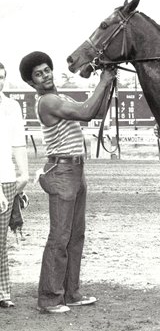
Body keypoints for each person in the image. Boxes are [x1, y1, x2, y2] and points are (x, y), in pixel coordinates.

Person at [19, 51, 116, 314]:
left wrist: (109, 81)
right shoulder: (48, 101)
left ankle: (71, 293)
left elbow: (96, 110)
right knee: (60, 237)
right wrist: (104, 80)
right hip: (62, 172)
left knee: (75, 236)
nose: (45, 75)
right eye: (38, 74)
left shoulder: (60, 97)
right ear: (32, 83)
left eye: (46, 70)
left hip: (75, 170)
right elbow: (86, 113)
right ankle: (50, 298)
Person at [0, 62, 29, 309]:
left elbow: (18, 143)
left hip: (7, 179)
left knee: (1, 241)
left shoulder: (11, 107)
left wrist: (24, 174)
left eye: (1, 77)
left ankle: (2, 292)